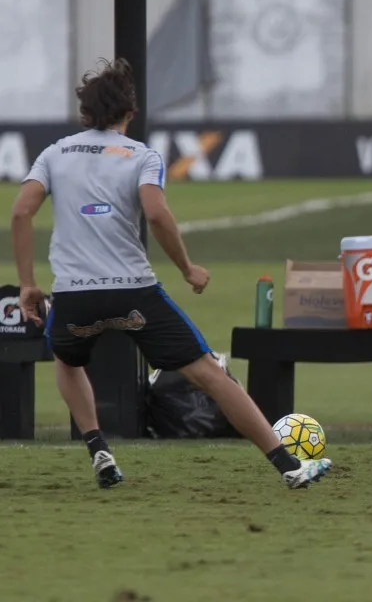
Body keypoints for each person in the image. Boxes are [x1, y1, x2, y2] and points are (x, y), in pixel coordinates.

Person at [10, 58, 333, 489]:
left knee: (67, 359)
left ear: (84, 113)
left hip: (74, 295)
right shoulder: (141, 156)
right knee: (209, 374)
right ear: (131, 111)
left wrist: (29, 283)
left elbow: (20, 212)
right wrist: (187, 269)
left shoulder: (55, 153)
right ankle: (289, 467)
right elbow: (157, 215)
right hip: (133, 294)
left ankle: (97, 448)